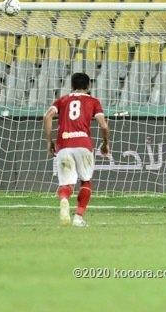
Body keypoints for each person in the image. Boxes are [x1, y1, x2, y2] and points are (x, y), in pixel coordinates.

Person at [43, 73, 110, 227]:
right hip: (83, 144)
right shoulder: (93, 101)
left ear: (71, 86)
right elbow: (104, 125)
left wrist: (49, 142)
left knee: (66, 184)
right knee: (86, 181)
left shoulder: (62, 100)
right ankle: (78, 218)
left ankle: (65, 200)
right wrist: (105, 143)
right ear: (88, 87)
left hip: (64, 144)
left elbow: (47, 117)